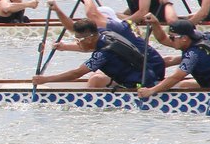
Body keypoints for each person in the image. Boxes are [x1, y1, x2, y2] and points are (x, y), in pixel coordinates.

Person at [32, 15, 164, 89]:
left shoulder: (102, 54)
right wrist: (64, 47)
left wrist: (45, 80)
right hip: (144, 74)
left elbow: (76, 73)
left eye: (79, 39)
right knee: (95, 79)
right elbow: (86, 47)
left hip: (139, 84)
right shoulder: (103, 33)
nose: (78, 42)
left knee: (95, 79)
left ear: (89, 38)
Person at [138, 17, 210, 97]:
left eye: (172, 37)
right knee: (185, 84)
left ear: (184, 38)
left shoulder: (193, 54)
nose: (170, 40)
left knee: (179, 83)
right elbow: (163, 40)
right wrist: (155, 23)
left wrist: (151, 91)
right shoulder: (206, 37)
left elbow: (176, 77)